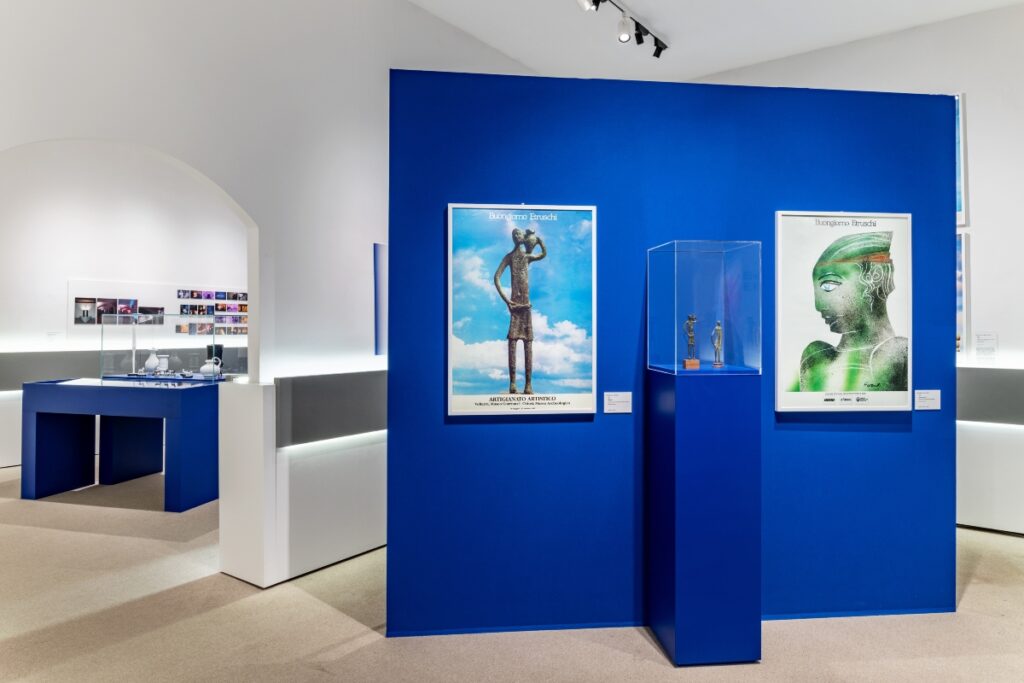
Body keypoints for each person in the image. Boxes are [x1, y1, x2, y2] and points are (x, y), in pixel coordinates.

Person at [798, 231, 908, 392]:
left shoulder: (899, 352)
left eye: (829, 286)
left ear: (875, 276)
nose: (819, 305)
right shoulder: (815, 357)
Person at [494, 228, 547, 394]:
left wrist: (539, 240)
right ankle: (512, 383)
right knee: (512, 342)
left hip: (526, 305)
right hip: (515, 305)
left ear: (523, 237)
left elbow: (543, 254)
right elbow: (496, 277)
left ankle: (528, 384)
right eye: (514, 234)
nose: (517, 236)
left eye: (519, 234)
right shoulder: (509, 257)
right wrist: (506, 300)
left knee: (528, 343)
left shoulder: (527, 256)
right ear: (513, 238)